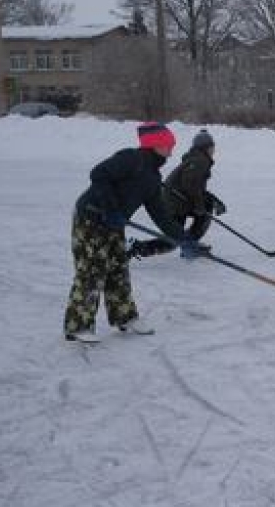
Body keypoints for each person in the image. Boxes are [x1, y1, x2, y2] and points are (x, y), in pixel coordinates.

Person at [63, 122, 205, 343]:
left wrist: (183, 237)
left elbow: (160, 214)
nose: (171, 150)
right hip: (91, 218)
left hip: (114, 224)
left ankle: (125, 317)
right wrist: (111, 209)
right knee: (92, 270)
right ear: (155, 144)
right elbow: (98, 174)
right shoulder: (131, 158)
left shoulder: (153, 176)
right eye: (168, 145)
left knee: (118, 269)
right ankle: (78, 326)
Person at [130, 129, 226, 257]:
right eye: (212, 146)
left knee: (201, 214)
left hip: (179, 201)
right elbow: (190, 185)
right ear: (206, 148)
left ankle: (190, 244)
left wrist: (211, 200)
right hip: (175, 202)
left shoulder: (197, 159)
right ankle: (137, 249)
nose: (214, 149)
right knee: (174, 240)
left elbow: (196, 188)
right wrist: (199, 206)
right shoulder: (200, 161)